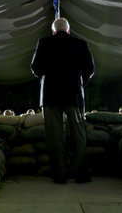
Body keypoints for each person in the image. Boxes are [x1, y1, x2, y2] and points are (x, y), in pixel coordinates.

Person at [31, 17, 94, 184]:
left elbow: (35, 68)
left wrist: (47, 74)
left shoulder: (43, 43)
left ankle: (59, 175)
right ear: (68, 30)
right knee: (78, 135)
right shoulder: (80, 44)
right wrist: (80, 82)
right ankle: (81, 174)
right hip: (73, 94)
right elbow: (90, 69)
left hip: (50, 95)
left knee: (55, 136)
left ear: (53, 31)